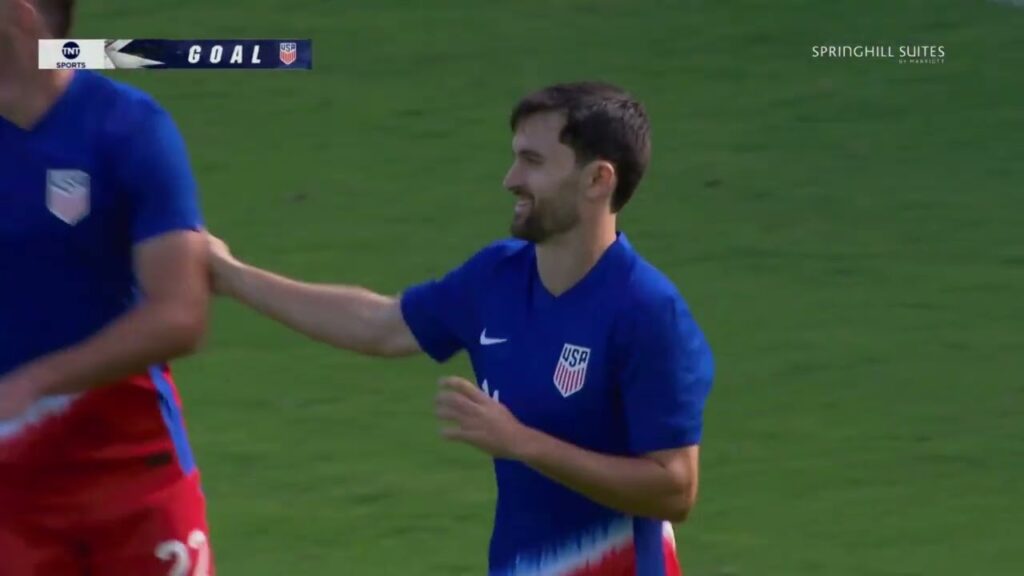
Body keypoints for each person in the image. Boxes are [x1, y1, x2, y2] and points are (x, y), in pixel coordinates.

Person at [209, 81, 713, 576]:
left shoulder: (647, 312)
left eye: (533, 162)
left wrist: (523, 442)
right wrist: (232, 276)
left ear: (597, 180)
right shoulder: (497, 277)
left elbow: (674, 487)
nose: (510, 178)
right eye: (516, 157)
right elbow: (381, 325)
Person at [0, 1, 215, 574]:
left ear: (20, 18)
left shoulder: (127, 128)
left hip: (133, 475)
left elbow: (181, 314)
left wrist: (39, 380)